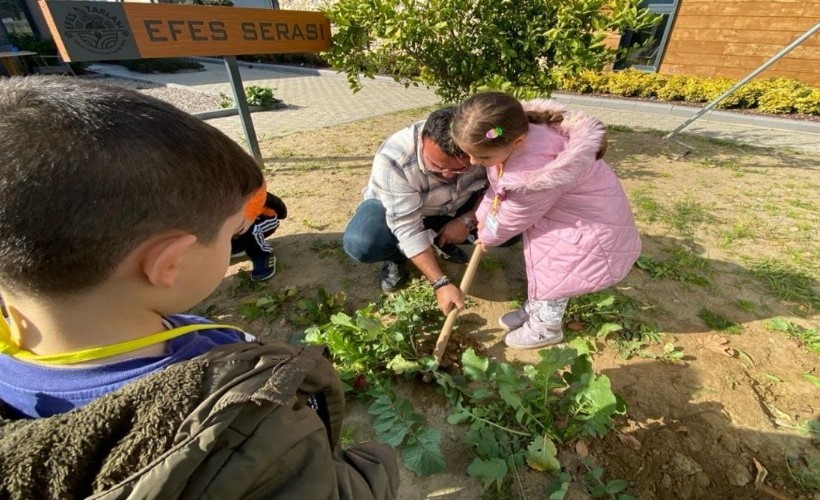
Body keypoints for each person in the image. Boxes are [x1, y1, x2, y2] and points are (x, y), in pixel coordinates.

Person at [0, 77, 399, 499]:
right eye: (231, 235)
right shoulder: (245, 426)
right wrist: (376, 469)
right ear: (168, 264)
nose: (235, 241)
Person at [451, 92, 641, 350]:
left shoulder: (534, 172)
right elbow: (498, 189)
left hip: (587, 226)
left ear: (517, 142)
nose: (474, 162)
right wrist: (482, 217)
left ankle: (546, 327)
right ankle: (535, 309)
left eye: (482, 158)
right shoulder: (510, 139)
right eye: (469, 155)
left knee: (556, 269)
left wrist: (488, 236)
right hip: (565, 213)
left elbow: (514, 215)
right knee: (543, 262)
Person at [343, 107, 488, 314]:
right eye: (437, 166)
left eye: (460, 169)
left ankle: (440, 243)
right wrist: (441, 283)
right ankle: (398, 256)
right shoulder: (396, 158)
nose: (447, 175)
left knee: (509, 229)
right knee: (363, 242)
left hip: (457, 206)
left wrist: (470, 218)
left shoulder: (485, 144)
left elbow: (500, 189)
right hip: (399, 211)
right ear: (423, 141)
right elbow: (407, 227)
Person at [232, 184, 287, 281]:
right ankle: (237, 247)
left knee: (245, 229)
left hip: (262, 216)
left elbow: (257, 185)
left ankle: (262, 255)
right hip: (232, 218)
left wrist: (249, 216)